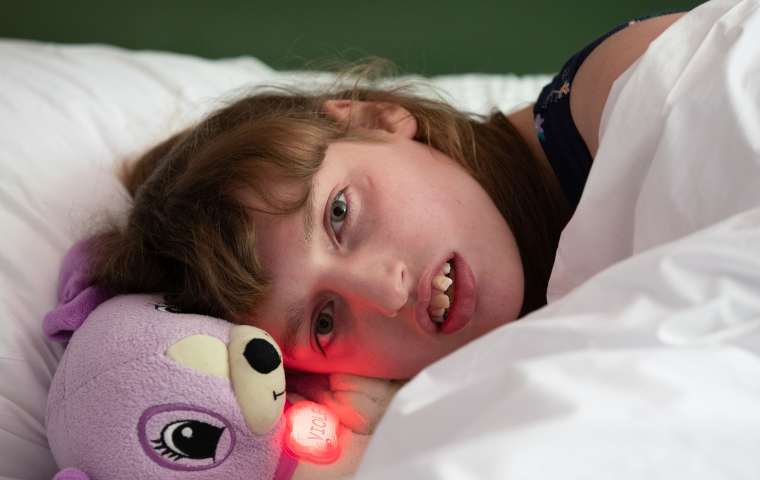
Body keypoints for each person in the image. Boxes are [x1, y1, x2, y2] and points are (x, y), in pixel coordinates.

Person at [86, 11, 686, 380]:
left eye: (338, 214)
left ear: (374, 118)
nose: (386, 292)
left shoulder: (619, 96)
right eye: (323, 323)